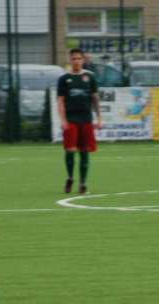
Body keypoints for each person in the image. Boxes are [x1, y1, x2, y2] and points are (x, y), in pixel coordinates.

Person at [57, 48, 102, 195]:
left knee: (85, 151)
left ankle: (83, 183)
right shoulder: (64, 79)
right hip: (71, 119)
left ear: (83, 60)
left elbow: (95, 99)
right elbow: (60, 101)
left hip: (86, 119)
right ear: (70, 61)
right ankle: (70, 178)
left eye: (78, 58)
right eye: (73, 58)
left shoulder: (90, 77)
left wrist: (100, 118)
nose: (76, 61)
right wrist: (63, 120)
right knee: (70, 150)